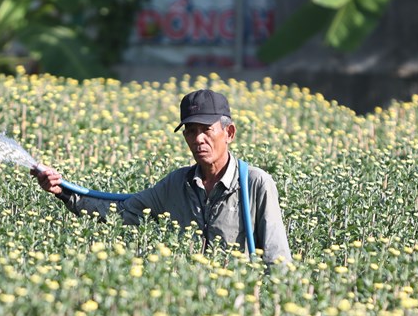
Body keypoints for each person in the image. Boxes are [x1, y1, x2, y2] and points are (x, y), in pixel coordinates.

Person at [32, 88, 292, 264]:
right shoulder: (176, 184)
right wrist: (62, 191)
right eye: (190, 131)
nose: (198, 139)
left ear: (229, 133)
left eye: (206, 129)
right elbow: (121, 211)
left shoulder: (256, 184)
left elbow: (277, 258)